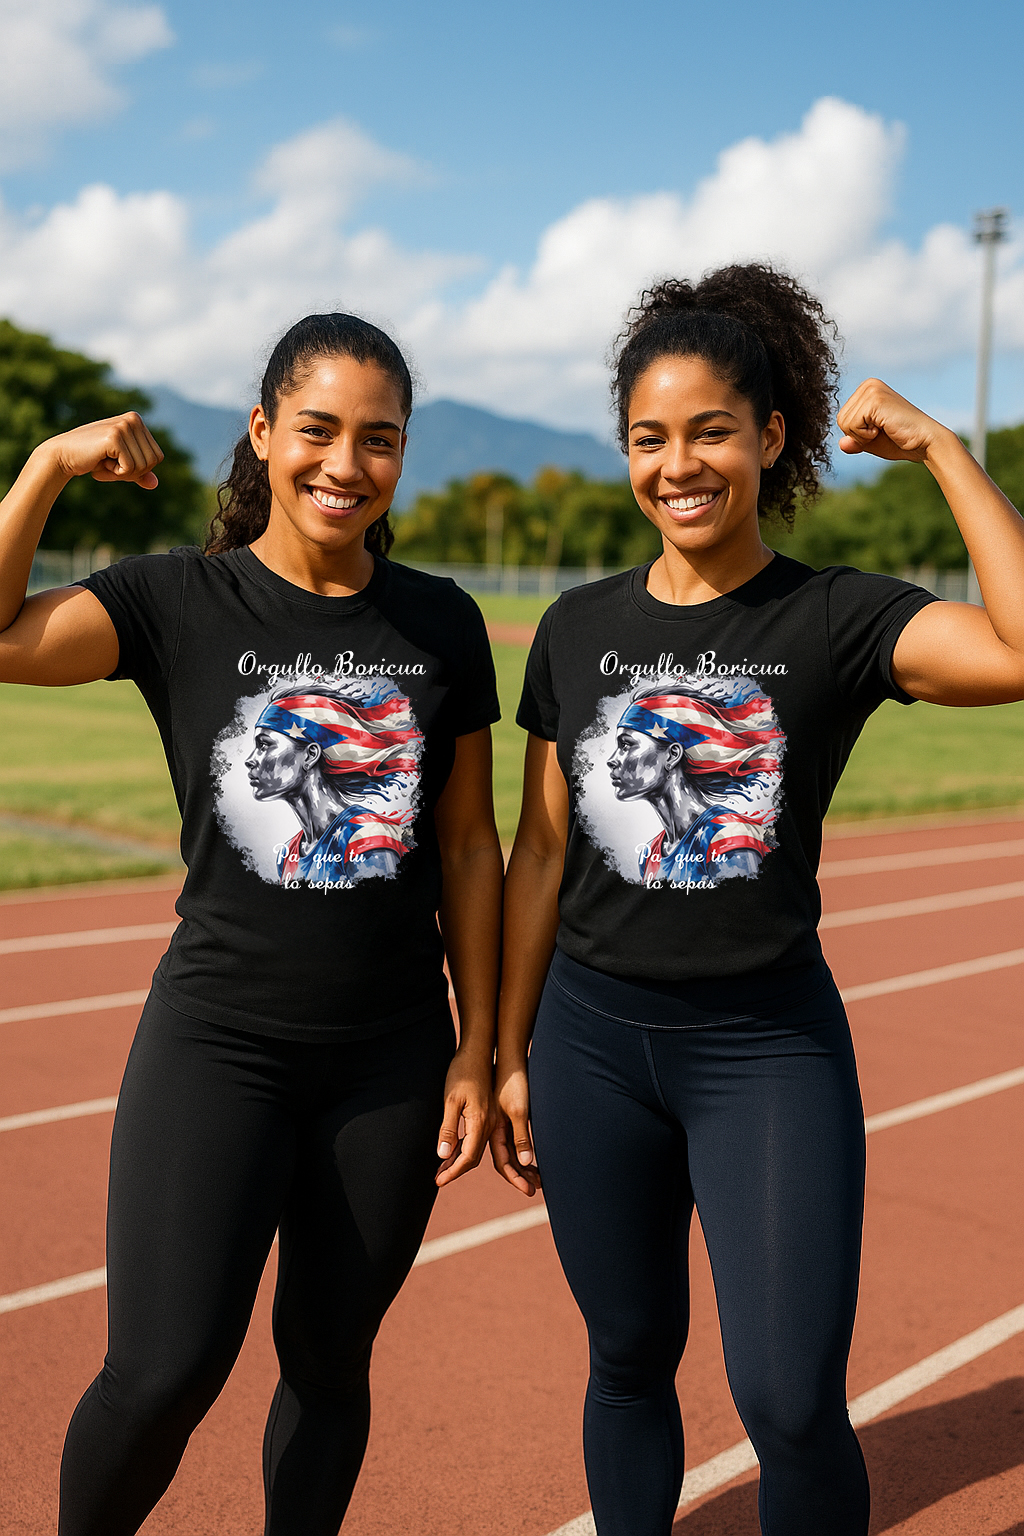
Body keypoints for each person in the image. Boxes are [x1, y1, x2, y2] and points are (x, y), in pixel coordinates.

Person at [491, 264, 1024, 1536]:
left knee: (788, 1403)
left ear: (771, 436)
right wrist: (503, 1048)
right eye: (649, 438)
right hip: (589, 1046)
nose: (679, 465)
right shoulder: (573, 628)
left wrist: (944, 449)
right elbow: (535, 854)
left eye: (711, 431)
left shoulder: (831, 617)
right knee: (625, 1359)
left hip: (765, 1049)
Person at [0, 312, 504, 1536]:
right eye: (318, 430)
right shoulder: (178, 598)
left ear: (401, 458)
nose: (345, 464)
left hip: (387, 1059)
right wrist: (46, 468)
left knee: (330, 1365)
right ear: (264, 430)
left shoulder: (440, 621)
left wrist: (478, 1051)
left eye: (378, 440)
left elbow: (468, 850)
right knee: (161, 1370)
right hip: (218, 1042)